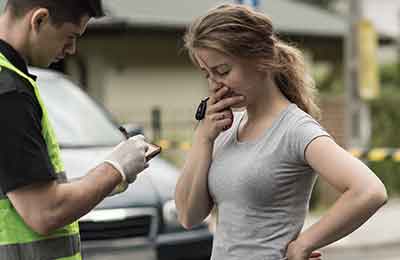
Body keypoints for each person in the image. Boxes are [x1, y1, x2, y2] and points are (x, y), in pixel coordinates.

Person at [175, 4, 388, 260]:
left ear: (260, 59)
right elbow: (189, 216)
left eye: (223, 71)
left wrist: (303, 244)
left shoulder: (296, 129)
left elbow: (369, 191)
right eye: (207, 74)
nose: (214, 84)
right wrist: (203, 138)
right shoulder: (224, 129)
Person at [0, 1, 151, 259]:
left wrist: (109, 181)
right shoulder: (8, 93)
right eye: (70, 36)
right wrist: (115, 168)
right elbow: (44, 212)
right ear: (39, 20)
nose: (71, 49)